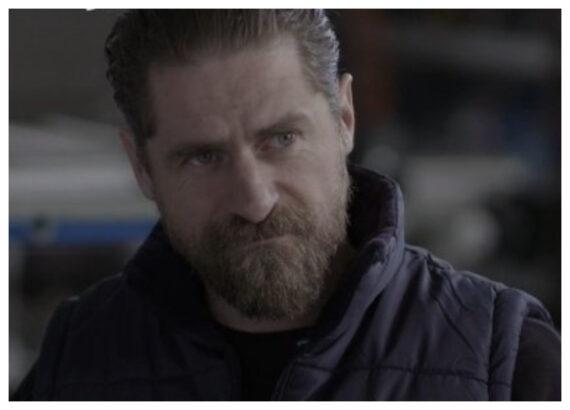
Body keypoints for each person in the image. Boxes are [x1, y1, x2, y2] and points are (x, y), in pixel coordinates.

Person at [12, 10, 560, 401]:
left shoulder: (503, 361)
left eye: (281, 139)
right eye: (203, 157)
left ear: (345, 117)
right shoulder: (79, 361)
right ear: (141, 166)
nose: (255, 200)